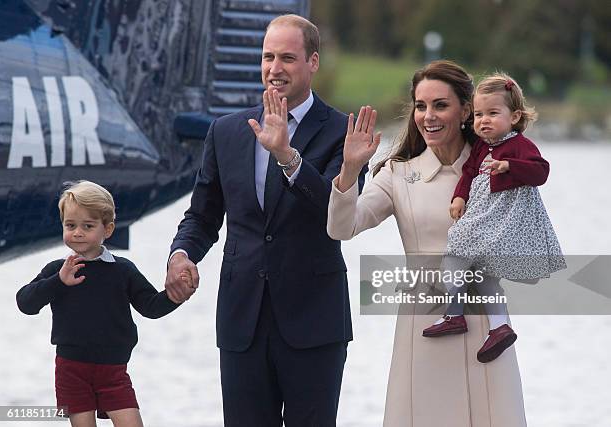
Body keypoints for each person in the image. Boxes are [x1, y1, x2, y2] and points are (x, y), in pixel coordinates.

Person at [165, 14, 366, 426]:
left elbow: (336, 213)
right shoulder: (226, 131)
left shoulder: (344, 134)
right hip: (243, 323)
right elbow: (202, 216)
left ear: (312, 62)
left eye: (288, 58)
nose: (275, 69)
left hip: (314, 323)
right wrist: (182, 254)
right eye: (268, 57)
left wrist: (287, 157)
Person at [327, 61, 527, 426]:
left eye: (440, 105)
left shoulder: (497, 166)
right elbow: (343, 227)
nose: (428, 116)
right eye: (421, 106)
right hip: (425, 325)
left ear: (466, 110)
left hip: (487, 326)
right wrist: (350, 170)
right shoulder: (399, 174)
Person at [422, 72, 566, 363]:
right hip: (483, 213)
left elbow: (541, 172)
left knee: (457, 251)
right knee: (473, 267)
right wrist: (459, 196)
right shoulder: (480, 147)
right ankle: (497, 326)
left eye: (492, 113)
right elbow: (470, 173)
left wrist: (509, 165)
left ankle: (457, 315)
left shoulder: (519, 145)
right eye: (478, 114)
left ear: (513, 117)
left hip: (504, 218)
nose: (483, 120)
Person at [16, 181, 184, 427]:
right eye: (70, 225)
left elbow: (151, 306)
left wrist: (175, 296)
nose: (78, 232)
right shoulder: (58, 271)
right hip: (71, 370)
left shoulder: (123, 270)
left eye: (88, 226)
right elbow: (25, 303)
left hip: (113, 371)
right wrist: (59, 282)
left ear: (108, 229)